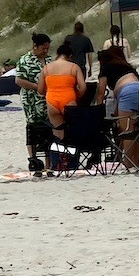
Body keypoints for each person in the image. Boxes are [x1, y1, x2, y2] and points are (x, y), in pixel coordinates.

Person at [13, 33, 53, 172]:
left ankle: (49, 163)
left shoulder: (49, 59)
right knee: (33, 126)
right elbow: (19, 80)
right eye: (43, 48)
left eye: (48, 48)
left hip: (48, 98)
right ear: (35, 46)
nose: (46, 51)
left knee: (49, 127)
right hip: (31, 99)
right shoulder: (25, 60)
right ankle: (33, 158)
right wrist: (37, 87)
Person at [98, 47, 139, 167]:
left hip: (127, 91)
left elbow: (101, 92)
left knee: (127, 131)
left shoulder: (106, 68)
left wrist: (98, 109)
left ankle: (128, 163)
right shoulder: (127, 66)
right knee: (138, 129)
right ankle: (136, 162)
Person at [41, 42, 89, 141]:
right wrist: (77, 97)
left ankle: (60, 153)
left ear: (57, 54)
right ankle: (70, 153)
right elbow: (83, 87)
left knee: (58, 133)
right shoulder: (73, 67)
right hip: (68, 99)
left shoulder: (46, 68)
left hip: (51, 100)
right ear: (70, 56)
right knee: (72, 132)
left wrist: (50, 92)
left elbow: (40, 89)